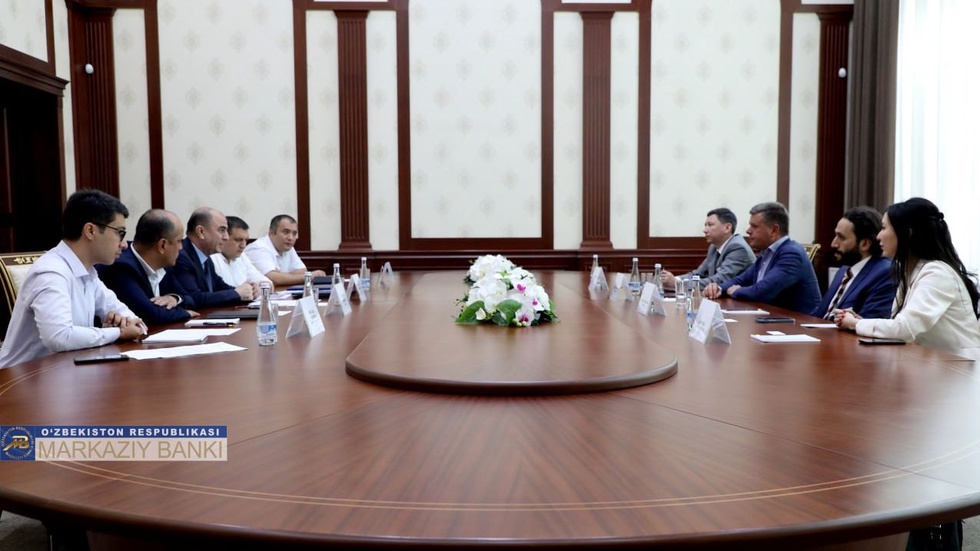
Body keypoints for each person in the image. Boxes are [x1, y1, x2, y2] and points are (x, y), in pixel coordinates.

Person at [0, 190, 145, 368]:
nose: (124, 244)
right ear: (90, 231)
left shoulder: (88, 271)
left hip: (64, 371)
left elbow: (133, 321)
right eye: (120, 233)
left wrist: (125, 324)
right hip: (22, 377)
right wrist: (117, 332)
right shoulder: (51, 272)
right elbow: (59, 337)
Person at [837, 198, 980, 353]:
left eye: (884, 228)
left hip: (958, 365)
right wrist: (859, 321)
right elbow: (902, 327)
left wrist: (855, 323)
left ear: (907, 234)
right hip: (929, 361)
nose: (878, 236)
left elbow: (905, 328)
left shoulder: (937, 273)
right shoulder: (911, 270)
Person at [704, 201, 820, 314]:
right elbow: (741, 280)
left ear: (774, 230)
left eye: (754, 226)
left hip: (799, 322)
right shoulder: (766, 252)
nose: (748, 230)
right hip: (772, 317)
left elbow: (763, 291)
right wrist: (719, 288)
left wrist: (737, 291)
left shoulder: (791, 254)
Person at [98, 209, 199, 325]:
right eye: (179, 241)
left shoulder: (163, 264)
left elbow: (191, 300)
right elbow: (151, 315)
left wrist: (174, 298)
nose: (181, 247)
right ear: (162, 245)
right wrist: (186, 313)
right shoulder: (121, 267)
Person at [812, 207, 895, 320]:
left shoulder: (885, 273)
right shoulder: (845, 269)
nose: (833, 244)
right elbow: (820, 313)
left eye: (841, 237)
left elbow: (868, 322)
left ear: (864, 244)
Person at [167, 207, 255, 309]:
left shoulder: (205, 257)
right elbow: (194, 298)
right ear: (201, 232)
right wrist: (237, 293)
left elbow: (220, 286)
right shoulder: (181, 256)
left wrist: (250, 290)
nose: (226, 237)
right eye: (222, 230)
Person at [660, 207, 754, 291]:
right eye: (705, 225)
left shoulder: (738, 248)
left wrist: (678, 283)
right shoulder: (714, 247)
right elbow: (697, 274)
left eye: (710, 225)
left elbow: (719, 281)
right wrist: (675, 279)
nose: (705, 230)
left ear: (727, 227)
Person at [245, 214, 325, 287]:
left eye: (294, 233)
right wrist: (309, 277)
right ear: (271, 233)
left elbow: (302, 271)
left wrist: (281, 276)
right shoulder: (258, 248)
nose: (291, 238)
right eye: (286, 232)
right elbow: (272, 279)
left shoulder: (287, 246)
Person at [211, 216, 272, 288]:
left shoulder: (242, 257)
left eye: (246, 240)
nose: (243, 245)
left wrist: (258, 288)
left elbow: (264, 281)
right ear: (224, 237)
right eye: (238, 240)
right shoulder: (211, 259)